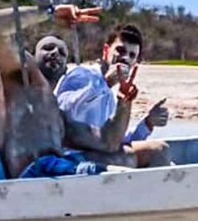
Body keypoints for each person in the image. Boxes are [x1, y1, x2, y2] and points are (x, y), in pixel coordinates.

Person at [0, 3, 103, 178]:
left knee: (124, 158)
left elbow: (106, 142)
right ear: (32, 55)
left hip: (56, 174)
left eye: (62, 53)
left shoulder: (56, 114)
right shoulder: (19, 73)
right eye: (47, 48)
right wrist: (50, 12)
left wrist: (127, 104)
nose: (55, 53)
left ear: (64, 71)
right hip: (31, 174)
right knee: (91, 171)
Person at [56, 23, 173, 168]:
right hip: (67, 157)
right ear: (106, 51)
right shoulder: (82, 74)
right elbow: (63, 112)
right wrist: (105, 83)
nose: (125, 58)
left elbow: (116, 141)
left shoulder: (112, 95)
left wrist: (148, 124)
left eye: (131, 55)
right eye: (120, 50)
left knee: (162, 153)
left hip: (95, 154)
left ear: (135, 63)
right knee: (158, 151)